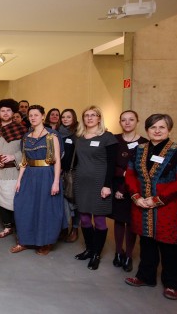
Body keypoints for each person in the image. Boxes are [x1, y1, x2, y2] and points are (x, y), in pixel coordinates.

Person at [124, 114, 177, 300]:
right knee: (146, 242)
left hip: (168, 206)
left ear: (168, 129)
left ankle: (172, 283)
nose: (157, 131)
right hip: (141, 204)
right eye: (153, 127)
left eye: (161, 127)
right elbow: (130, 174)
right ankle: (145, 276)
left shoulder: (175, 150)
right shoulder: (139, 150)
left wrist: (157, 198)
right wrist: (136, 196)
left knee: (169, 246)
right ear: (147, 130)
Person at [10, 105, 65, 255]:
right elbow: (24, 160)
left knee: (45, 209)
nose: (33, 118)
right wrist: (19, 180)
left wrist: (55, 182)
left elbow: (57, 161)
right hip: (29, 175)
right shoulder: (26, 137)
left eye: (36, 115)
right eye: (30, 115)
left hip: (47, 175)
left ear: (42, 116)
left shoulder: (51, 136)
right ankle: (24, 240)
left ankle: (44, 242)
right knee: (24, 206)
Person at [74, 105, 118, 270]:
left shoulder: (107, 137)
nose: (90, 118)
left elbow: (112, 164)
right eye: (86, 115)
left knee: (99, 219)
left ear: (99, 118)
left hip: (100, 183)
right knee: (84, 218)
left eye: (93, 115)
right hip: (81, 181)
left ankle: (96, 254)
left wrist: (107, 185)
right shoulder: (79, 137)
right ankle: (89, 249)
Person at [0, 99, 27, 237]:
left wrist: (14, 157)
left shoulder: (22, 130)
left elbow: (27, 151)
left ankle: (20, 229)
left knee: (15, 201)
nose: (6, 113)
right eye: (3, 110)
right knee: (1, 200)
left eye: (8, 110)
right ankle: (7, 227)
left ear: (13, 112)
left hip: (14, 172)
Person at [110, 110, 148, 272]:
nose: (127, 123)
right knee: (119, 220)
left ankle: (129, 256)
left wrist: (125, 188)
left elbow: (142, 170)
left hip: (134, 190)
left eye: (131, 119)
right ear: (120, 122)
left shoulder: (145, 143)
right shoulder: (114, 140)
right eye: (124, 120)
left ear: (137, 121)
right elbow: (110, 164)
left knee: (131, 223)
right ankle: (118, 252)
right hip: (116, 187)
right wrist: (122, 176)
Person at [59, 109, 80, 243]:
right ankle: (64, 228)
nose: (65, 119)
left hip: (73, 172)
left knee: (74, 201)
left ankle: (75, 228)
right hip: (59, 172)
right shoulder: (58, 133)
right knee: (63, 202)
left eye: (69, 117)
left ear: (74, 119)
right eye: (63, 117)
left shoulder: (77, 134)